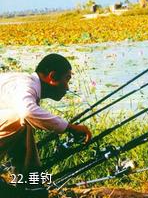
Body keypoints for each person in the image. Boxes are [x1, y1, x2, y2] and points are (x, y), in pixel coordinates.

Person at [0, 53, 92, 197]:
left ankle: (30, 182)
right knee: (19, 117)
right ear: (53, 77)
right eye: (67, 79)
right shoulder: (26, 85)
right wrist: (68, 127)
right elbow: (27, 112)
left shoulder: (25, 83)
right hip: (22, 114)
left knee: (25, 122)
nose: (67, 87)